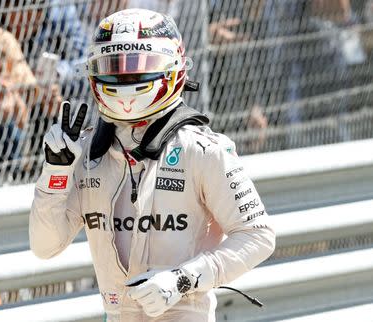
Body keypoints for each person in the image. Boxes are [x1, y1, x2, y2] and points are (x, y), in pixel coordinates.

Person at [30, 9, 275, 321]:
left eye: (136, 70)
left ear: (171, 68)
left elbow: (258, 235)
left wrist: (181, 280)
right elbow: (45, 246)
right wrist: (55, 174)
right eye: (112, 69)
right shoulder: (83, 154)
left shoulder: (201, 150)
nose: (124, 81)